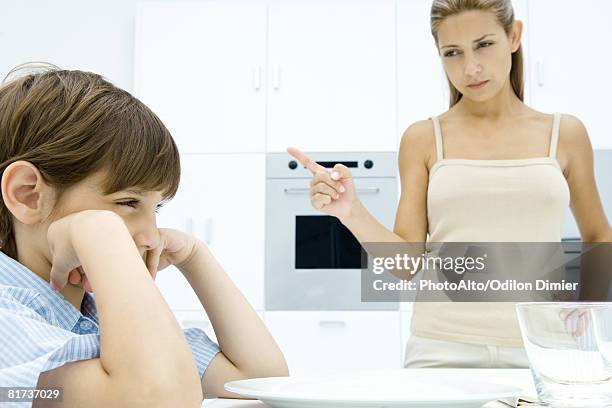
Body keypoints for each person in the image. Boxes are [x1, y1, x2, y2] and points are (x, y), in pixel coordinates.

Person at [288, 0, 612, 368]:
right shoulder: (424, 139)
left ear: (514, 36)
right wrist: (351, 212)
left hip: (542, 348)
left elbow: (599, 234)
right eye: (452, 53)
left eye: (484, 44)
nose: (470, 67)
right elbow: (408, 264)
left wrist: (590, 310)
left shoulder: (564, 134)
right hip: (441, 349)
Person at [0, 65, 288, 407]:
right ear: (28, 194)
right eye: (128, 202)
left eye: (158, 208)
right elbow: (157, 400)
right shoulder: (8, 319)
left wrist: (195, 256)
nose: (151, 236)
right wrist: (98, 231)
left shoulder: (100, 320)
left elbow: (261, 381)